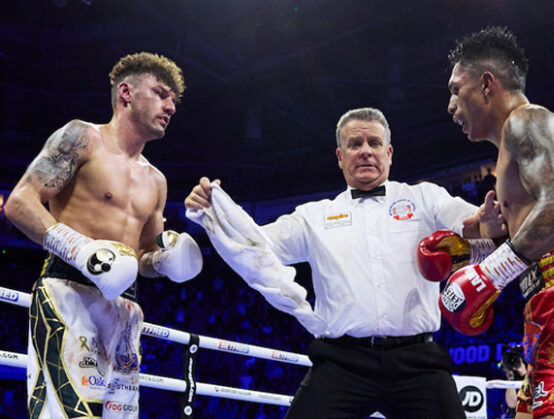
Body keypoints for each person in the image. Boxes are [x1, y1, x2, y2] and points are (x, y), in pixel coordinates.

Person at [185, 107, 506, 418]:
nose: (365, 151)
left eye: (374, 143)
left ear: (389, 152)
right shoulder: (314, 216)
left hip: (417, 362)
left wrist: (485, 222)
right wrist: (214, 213)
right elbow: (257, 244)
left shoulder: (425, 199)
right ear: (340, 157)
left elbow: (469, 223)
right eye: (355, 144)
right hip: (342, 362)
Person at [434, 26, 554, 419]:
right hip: (549, 300)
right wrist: (477, 243)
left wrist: (490, 272)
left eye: (457, 89)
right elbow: (535, 237)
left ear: (486, 83)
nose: (450, 105)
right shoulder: (510, 148)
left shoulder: (526, 121)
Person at [5, 52, 203, 418]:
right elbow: (19, 203)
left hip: (125, 310)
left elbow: (142, 260)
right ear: (126, 93)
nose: (171, 106)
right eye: (161, 93)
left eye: (173, 99)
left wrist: (166, 260)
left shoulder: (156, 180)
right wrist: (81, 250)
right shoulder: (83, 138)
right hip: (68, 294)